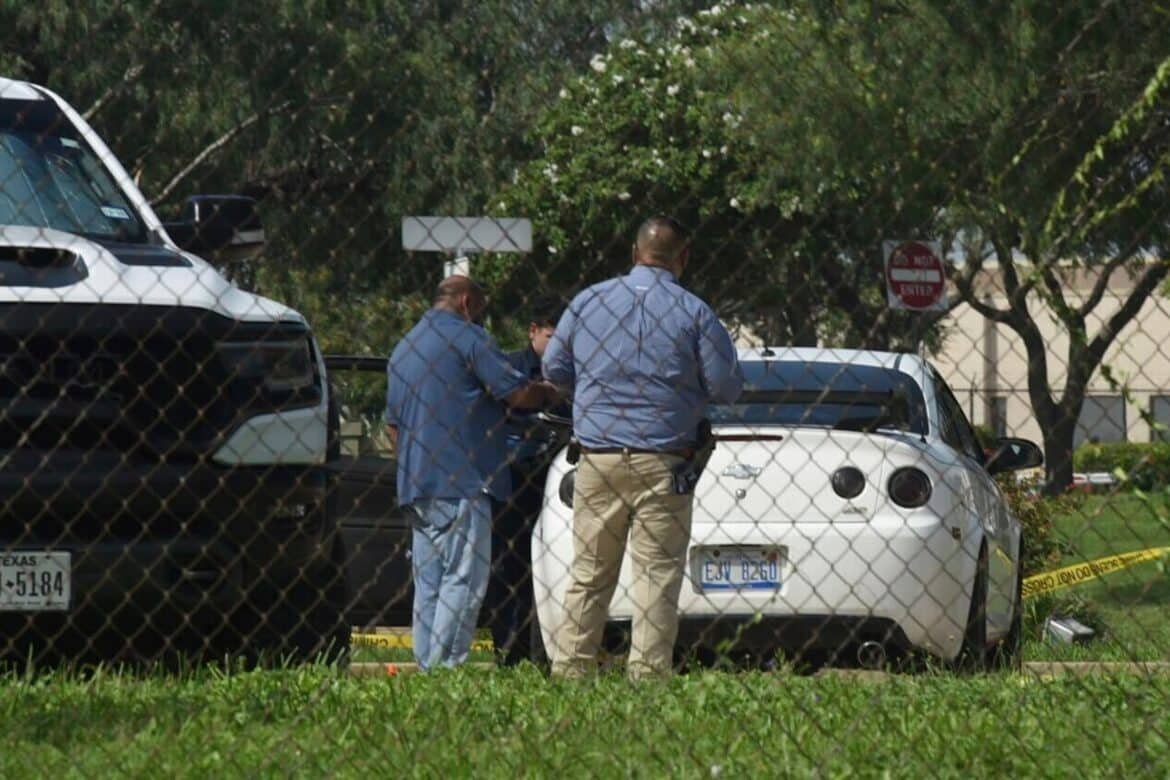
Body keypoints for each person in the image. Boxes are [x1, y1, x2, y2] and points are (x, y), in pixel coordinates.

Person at [542, 215, 744, 680]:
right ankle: (648, 676)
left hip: (598, 458)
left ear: (634, 253)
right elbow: (725, 386)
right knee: (657, 575)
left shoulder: (588, 302)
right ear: (683, 258)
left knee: (590, 573)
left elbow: (554, 368)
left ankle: (571, 670)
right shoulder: (695, 312)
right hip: (665, 461)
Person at [384, 275, 556, 670]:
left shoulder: (404, 348)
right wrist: (550, 391)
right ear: (466, 302)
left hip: (416, 485)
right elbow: (517, 393)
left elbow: (393, 426)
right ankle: (446, 670)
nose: (481, 317)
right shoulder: (469, 339)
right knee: (463, 579)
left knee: (429, 584)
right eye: (480, 309)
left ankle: (427, 667)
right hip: (463, 480)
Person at [487, 296, 568, 666]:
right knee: (509, 567)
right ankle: (511, 651)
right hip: (515, 478)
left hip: (559, 482)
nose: (559, 346)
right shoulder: (510, 369)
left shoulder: (572, 374)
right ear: (533, 331)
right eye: (552, 337)